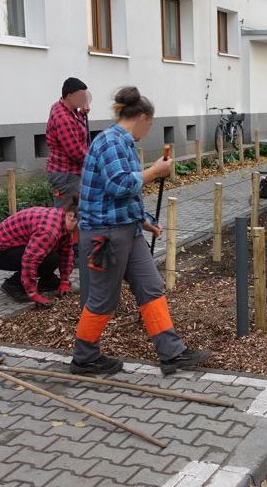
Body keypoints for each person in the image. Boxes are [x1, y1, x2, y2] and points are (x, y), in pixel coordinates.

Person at [70, 86, 211, 376]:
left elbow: (123, 195)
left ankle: (172, 354)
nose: (149, 130)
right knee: (103, 298)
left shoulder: (123, 143)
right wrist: (155, 171)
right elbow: (119, 185)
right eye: (151, 124)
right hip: (105, 235)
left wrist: (143, 219)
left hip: (126, 229)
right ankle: (84, 358)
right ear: (143, 117)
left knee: (150, 286)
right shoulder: (111, 142)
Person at [0, 198, 77, 307]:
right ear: (71, 216)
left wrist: (64, 282)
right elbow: (30, 260)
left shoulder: (64, 224)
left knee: (52, 257)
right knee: (49, 259)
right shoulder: (49, 230)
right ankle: (12, 285)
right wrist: (33, 293)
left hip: (15, 246)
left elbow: (66, 253)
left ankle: (47, 282)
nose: (81, 230)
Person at [46, 77, 92, 208]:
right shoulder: (63, 118)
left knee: (75, 213)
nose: (84, 100)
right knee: (67, 214)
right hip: (66, 174)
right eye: (81, 96)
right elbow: (75, 152)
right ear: (70, 95)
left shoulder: (65, 108)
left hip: (70, 171)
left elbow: (77, 129)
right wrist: (95, 161)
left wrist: (82, 114)